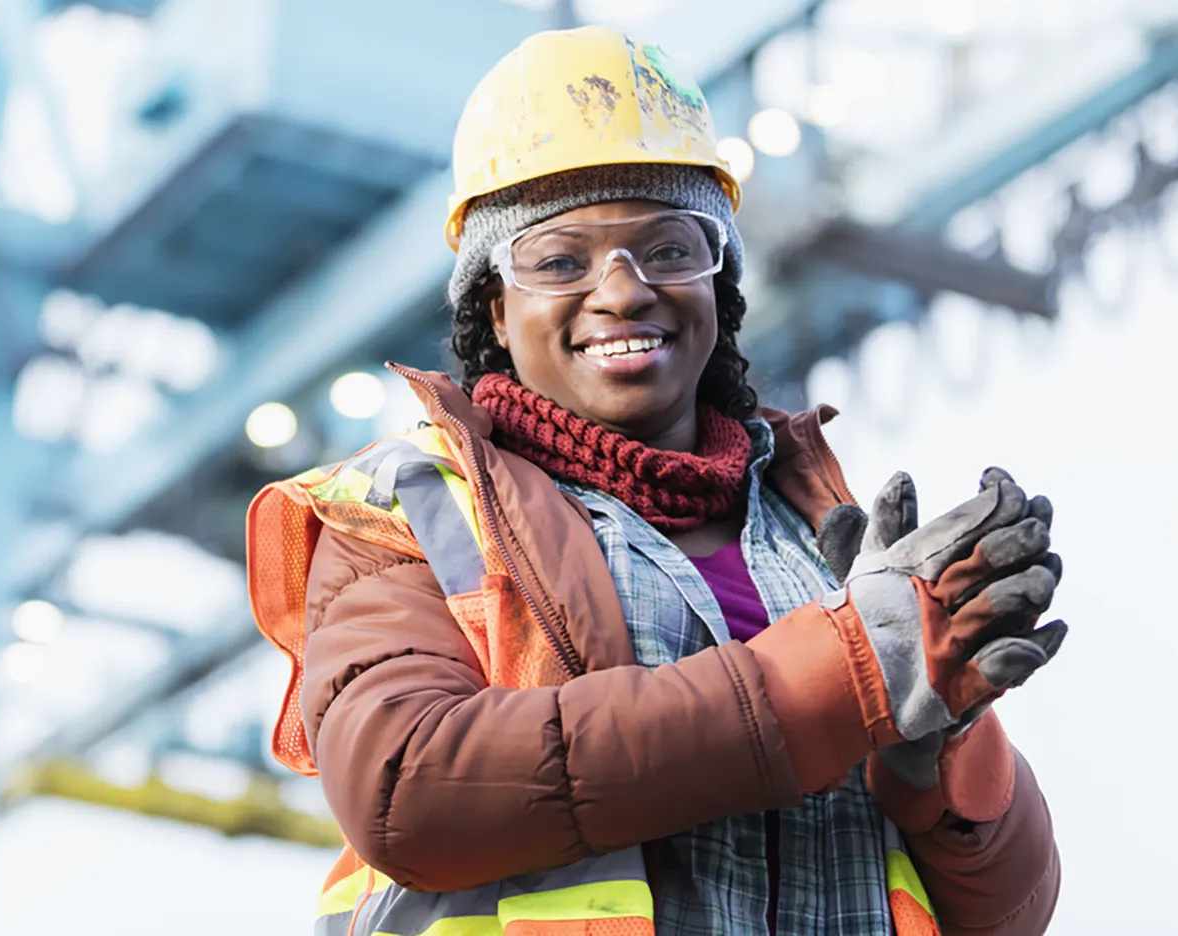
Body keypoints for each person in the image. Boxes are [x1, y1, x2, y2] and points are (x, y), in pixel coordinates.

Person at [247, 25, 1068, 936]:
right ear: (496, 309)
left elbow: (1006, 916)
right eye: (560, 261)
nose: (624, 289)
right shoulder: (414, 509)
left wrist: (941, 747)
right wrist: (846, 675)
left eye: (671, 248)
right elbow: (409, 787)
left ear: (719, 282)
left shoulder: (812, 532)